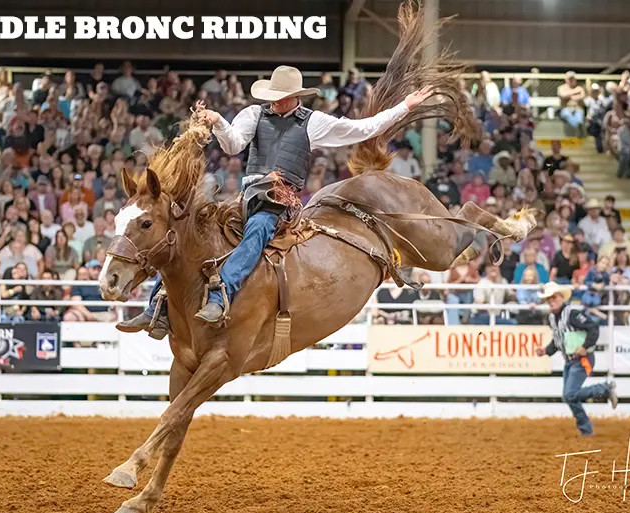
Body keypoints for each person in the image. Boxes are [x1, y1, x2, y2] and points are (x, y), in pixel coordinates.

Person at [117, 65, 435, 337]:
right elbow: (233, 145)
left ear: (295, 97)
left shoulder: (313, 122)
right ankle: (157, 306)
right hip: (249, 193)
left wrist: (404, 107)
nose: (276, 101)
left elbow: (360, 129)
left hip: (280, 199)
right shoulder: (254, 114)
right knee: (191, 230)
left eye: (282, 96)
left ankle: (219, 295)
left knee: (258, 230)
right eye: (274, 96)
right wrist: (218, 122)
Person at [535, 282, 617, 436]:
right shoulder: (553, 318)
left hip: (583, 359)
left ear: (561, 298)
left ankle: (604, 389)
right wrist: (546, 350)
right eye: (548, 299)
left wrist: (585, 346)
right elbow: (558, 341)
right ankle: (586, 430)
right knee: (569, 396)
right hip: (571, 361)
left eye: (553, 298)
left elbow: (593, 328)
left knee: (570, 394)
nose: (551, 302)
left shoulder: (572, 314)